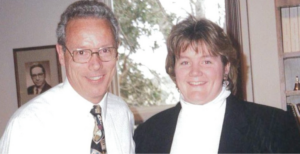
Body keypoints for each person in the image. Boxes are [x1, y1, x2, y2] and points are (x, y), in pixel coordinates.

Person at [134, 16, 300, 153]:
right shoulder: (147, 134)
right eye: (185, 62)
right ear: (174, 69)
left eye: (206, 61)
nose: (195, 72)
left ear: (226, 67)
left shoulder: (274, 127)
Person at [0, 1, 135, 154]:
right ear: (61, 55)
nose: (96, 64)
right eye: (82, 52)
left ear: (116, 52)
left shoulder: (122, 113)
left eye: (105, 50)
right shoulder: (27, 126)